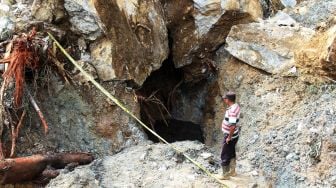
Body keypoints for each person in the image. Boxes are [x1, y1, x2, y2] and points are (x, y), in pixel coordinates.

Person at [218, 91, 241, 180]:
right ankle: (233, 171)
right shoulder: (236, 106)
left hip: (230, 136)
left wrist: (229, 138)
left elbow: (232, 126)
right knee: (231, 152)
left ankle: (225, 175)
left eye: (225, 98)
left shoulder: (231, 111)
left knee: (225, 154)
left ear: (228, 100)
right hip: (235, 135)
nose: (224, 100)